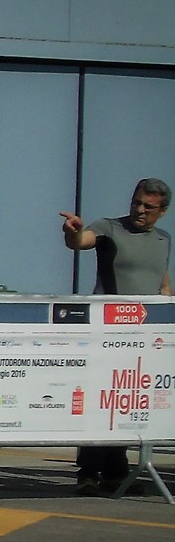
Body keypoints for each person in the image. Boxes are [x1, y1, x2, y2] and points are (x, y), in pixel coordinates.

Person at [59, 176, 171, 495]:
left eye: (148, 207)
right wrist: (74, 232)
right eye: (136, 202)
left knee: (125, 402)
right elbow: (81, 241)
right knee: (100, 401)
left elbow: (161, 283)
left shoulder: (163, 239)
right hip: (108, 331)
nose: (139, 209)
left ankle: (115, 472)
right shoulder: (110, 228)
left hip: (143, 337)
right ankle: (88, 473)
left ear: (161, 211)